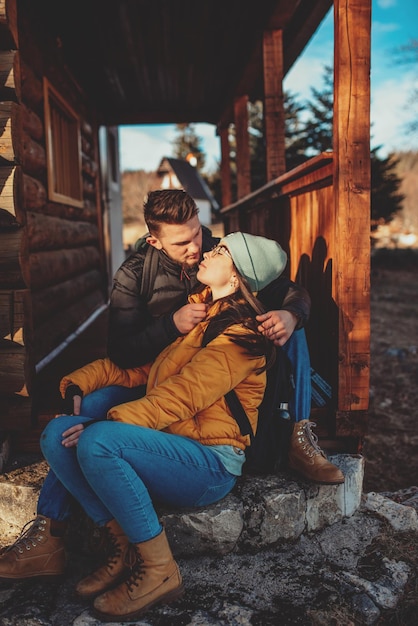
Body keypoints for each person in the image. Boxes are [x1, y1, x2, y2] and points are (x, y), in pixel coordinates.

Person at [0, 191, 342, 584]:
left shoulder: (230, 293)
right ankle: (58, 536)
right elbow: (129, 357)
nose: (198, 248)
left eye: (200, 235)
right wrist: (164, 329)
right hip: (158, 387)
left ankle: (296, 432)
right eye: (184, 243)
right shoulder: (135, 276)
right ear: (155, 241)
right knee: (71, 421)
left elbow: (278, 289)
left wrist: (291, 313)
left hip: (202, 427)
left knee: (96, 436)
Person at [37, 233, 280, 621]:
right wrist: (82, 380)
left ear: (236, 281)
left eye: (221, 252)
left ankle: (159, 570)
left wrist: (108, 421)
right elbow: (149, 372)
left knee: (98, 440)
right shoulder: (201, 316)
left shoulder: (240, 335)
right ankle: (122, 547)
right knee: (57, 435)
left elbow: (183, 394)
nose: (209, 250)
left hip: (211, 464)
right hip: (174, 448)